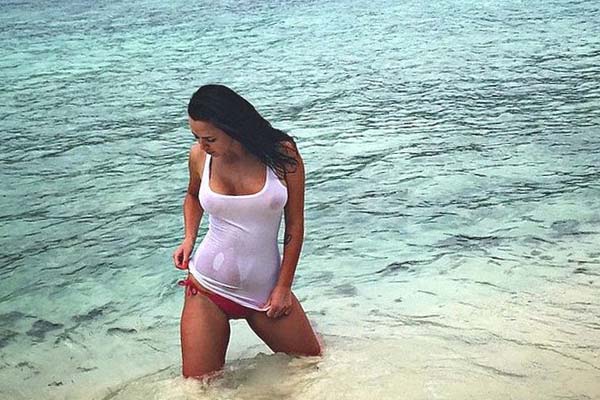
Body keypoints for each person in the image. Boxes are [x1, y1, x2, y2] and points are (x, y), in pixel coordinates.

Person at [172, 84, 322, 379]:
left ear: (233, 127)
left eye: (210, 138)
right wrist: (189, 237)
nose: (202, 145)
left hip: (265, 293)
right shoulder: (200, 157)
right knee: (199, 390)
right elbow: (192, 196)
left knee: (313, 369)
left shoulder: (282, 154)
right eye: (196, 137)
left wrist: (283, 288)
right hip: (207, 288)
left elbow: (295, 225)